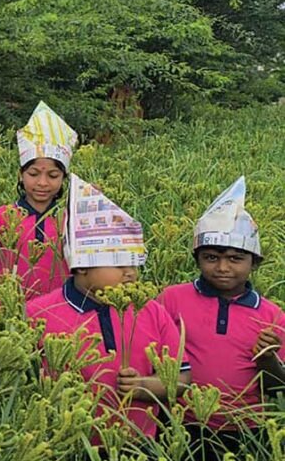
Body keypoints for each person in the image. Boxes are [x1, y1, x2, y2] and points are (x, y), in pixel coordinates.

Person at [26, 174, 191, 442]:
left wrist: (144, 387)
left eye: (134, 263)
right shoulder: (38, 314)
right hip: (64, 451)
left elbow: (182, 377)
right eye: (118, 263)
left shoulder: (149, 310)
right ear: (80, 265)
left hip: (140, 445)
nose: (130, 273)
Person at [157, 176, 285, 461]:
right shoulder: (171, 299)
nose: (223, 267)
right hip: (179, 425)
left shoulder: (272, 316)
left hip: (245, 431)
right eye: (211, 257)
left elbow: (277, 388)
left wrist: (269, 362)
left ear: (254, 262)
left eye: (236, 258)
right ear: (197, 259)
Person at [0, 101, 77, 302]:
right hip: (6, 315)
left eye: (52, 175)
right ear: (21, 175)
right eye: (33, 174)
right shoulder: (3, 216)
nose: (42, 183)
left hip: (59, 317)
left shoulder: (70, 219)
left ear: (64, 179)